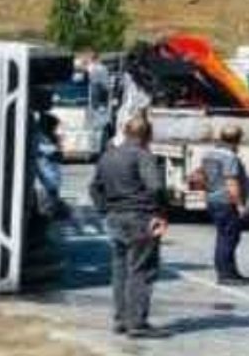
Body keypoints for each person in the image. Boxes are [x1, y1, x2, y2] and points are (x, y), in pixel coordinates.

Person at [88, 115, 170, 339]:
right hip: (140, 218)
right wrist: (160, 213)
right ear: (148, 135)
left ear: (124, 131)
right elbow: (155, 188)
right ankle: (137, 323)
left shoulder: (108, 156)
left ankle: (121, 319)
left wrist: (105, 210)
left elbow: (94, 187)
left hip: (115, 218)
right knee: (141, 270)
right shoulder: (143, 155)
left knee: (120, 270)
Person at [201, 125, 249, 285]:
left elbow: (201, 175)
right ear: (237, 139)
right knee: (228, 238)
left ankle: (231, 272)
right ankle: (226, 275)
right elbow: (231, 182)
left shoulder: (209, 154)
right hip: (226, 201)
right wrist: (240, 204)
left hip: (213, 199)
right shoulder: (230, 157)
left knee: (224, 236)